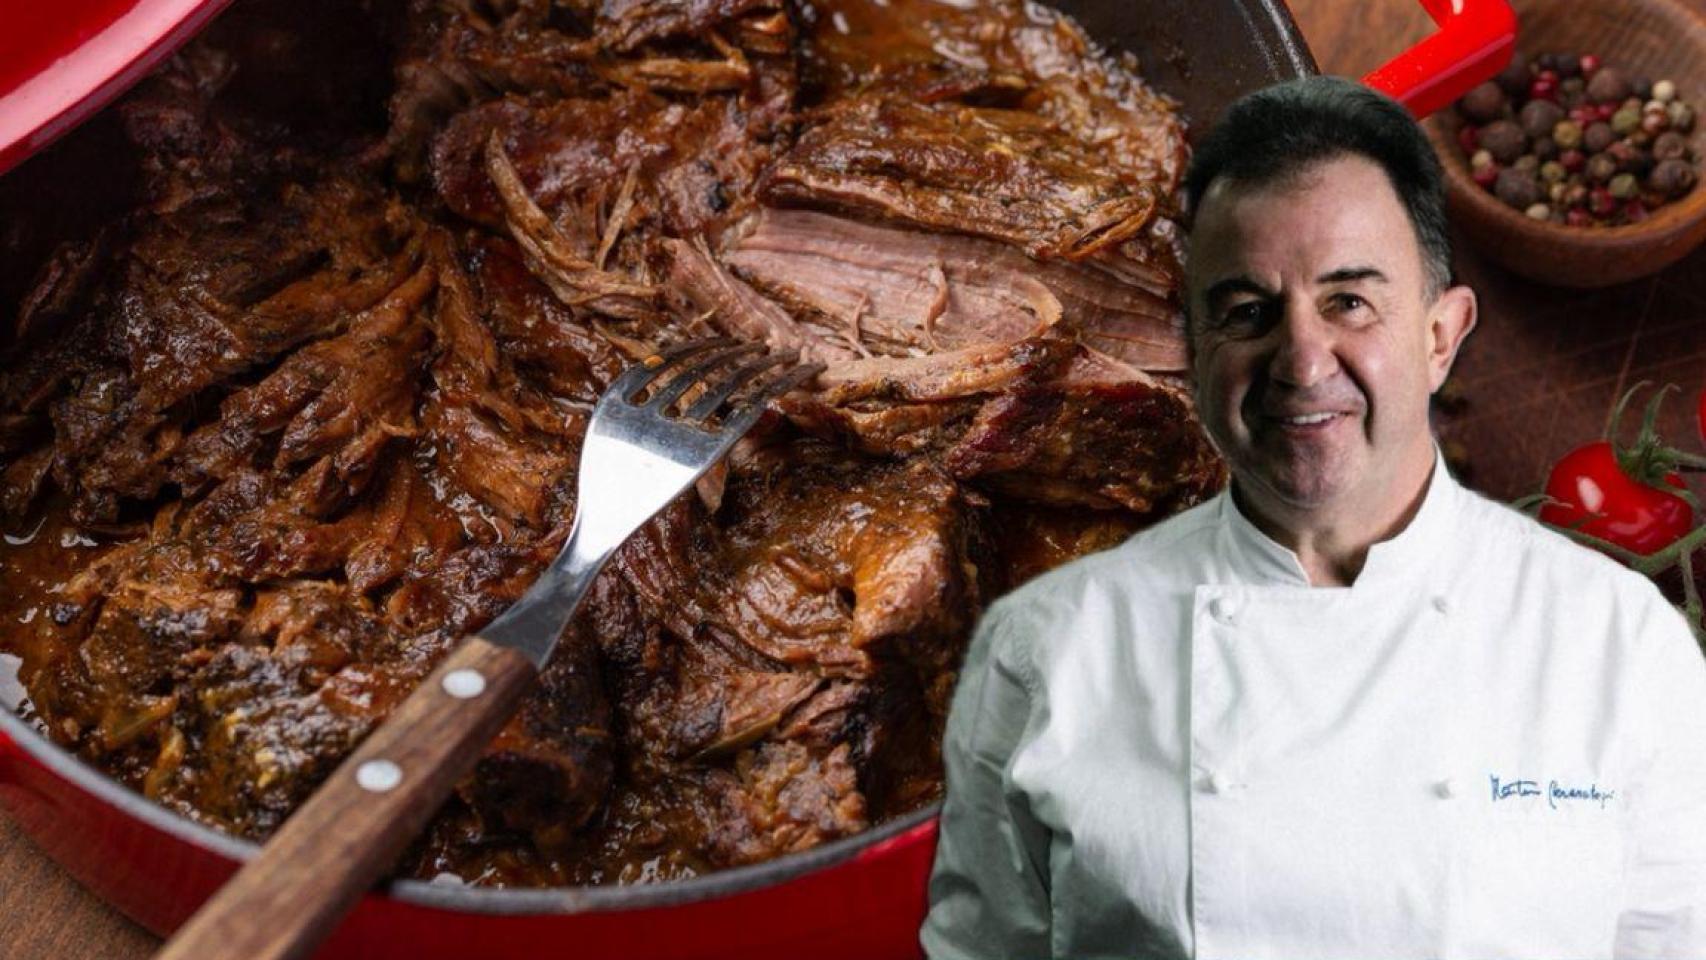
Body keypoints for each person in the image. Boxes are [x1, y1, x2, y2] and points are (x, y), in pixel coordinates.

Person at [919, 75, 1706, 960]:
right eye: (1249, 311)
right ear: (1195, 350)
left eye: (1349, 302)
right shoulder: (1043, 648)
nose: (1301, 360)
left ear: (1442, 336)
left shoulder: (1619, 643)